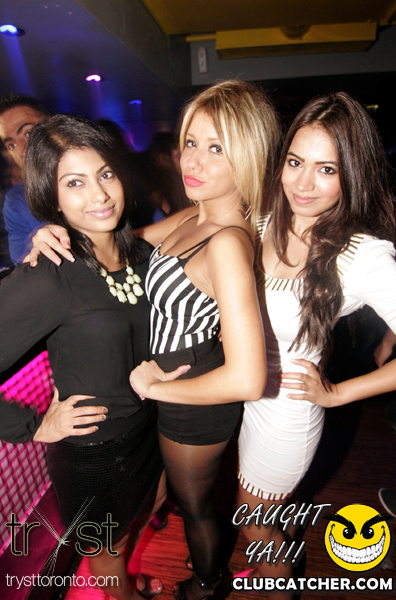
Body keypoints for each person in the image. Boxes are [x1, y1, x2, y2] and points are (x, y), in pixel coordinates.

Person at [26, 80, 280, 600]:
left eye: (217, 148)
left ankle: (207, 585)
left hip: (193, 397)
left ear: (248, 157)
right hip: (168, 389)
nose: (195, 161)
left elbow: (249, 378)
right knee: (173, 498)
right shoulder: (196, 216)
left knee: (196, 506)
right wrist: (55, 231)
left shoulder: (228, 242)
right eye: (191, 142)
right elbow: (122, 245)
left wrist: (157, 388)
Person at [235, 91, 396, 598]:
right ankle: (278, 561)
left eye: (326, 170)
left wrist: (339, 393)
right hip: (240, 395)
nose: (302, 184)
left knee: (252, 525)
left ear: (353, 174)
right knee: (262, 521)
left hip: (286, 413)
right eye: (295, 162)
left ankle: (277, 583)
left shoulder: (362, 256)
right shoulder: (260, 218)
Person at [0, 114, 166, 600]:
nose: (99, 194)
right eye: (75, 182)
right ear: (52, 198)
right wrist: (31, 427)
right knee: (109, 554)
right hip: (96, 453)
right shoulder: (51, 272)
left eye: (105, 174)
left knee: (147, 511)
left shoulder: (137, 253)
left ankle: (130, 583)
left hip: (148, 428)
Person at [0, 94, 50, 264]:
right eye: (11, 145)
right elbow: (25, 266)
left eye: (28, 133)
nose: (21, 150)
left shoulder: (91, 173)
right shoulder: (16, 201)